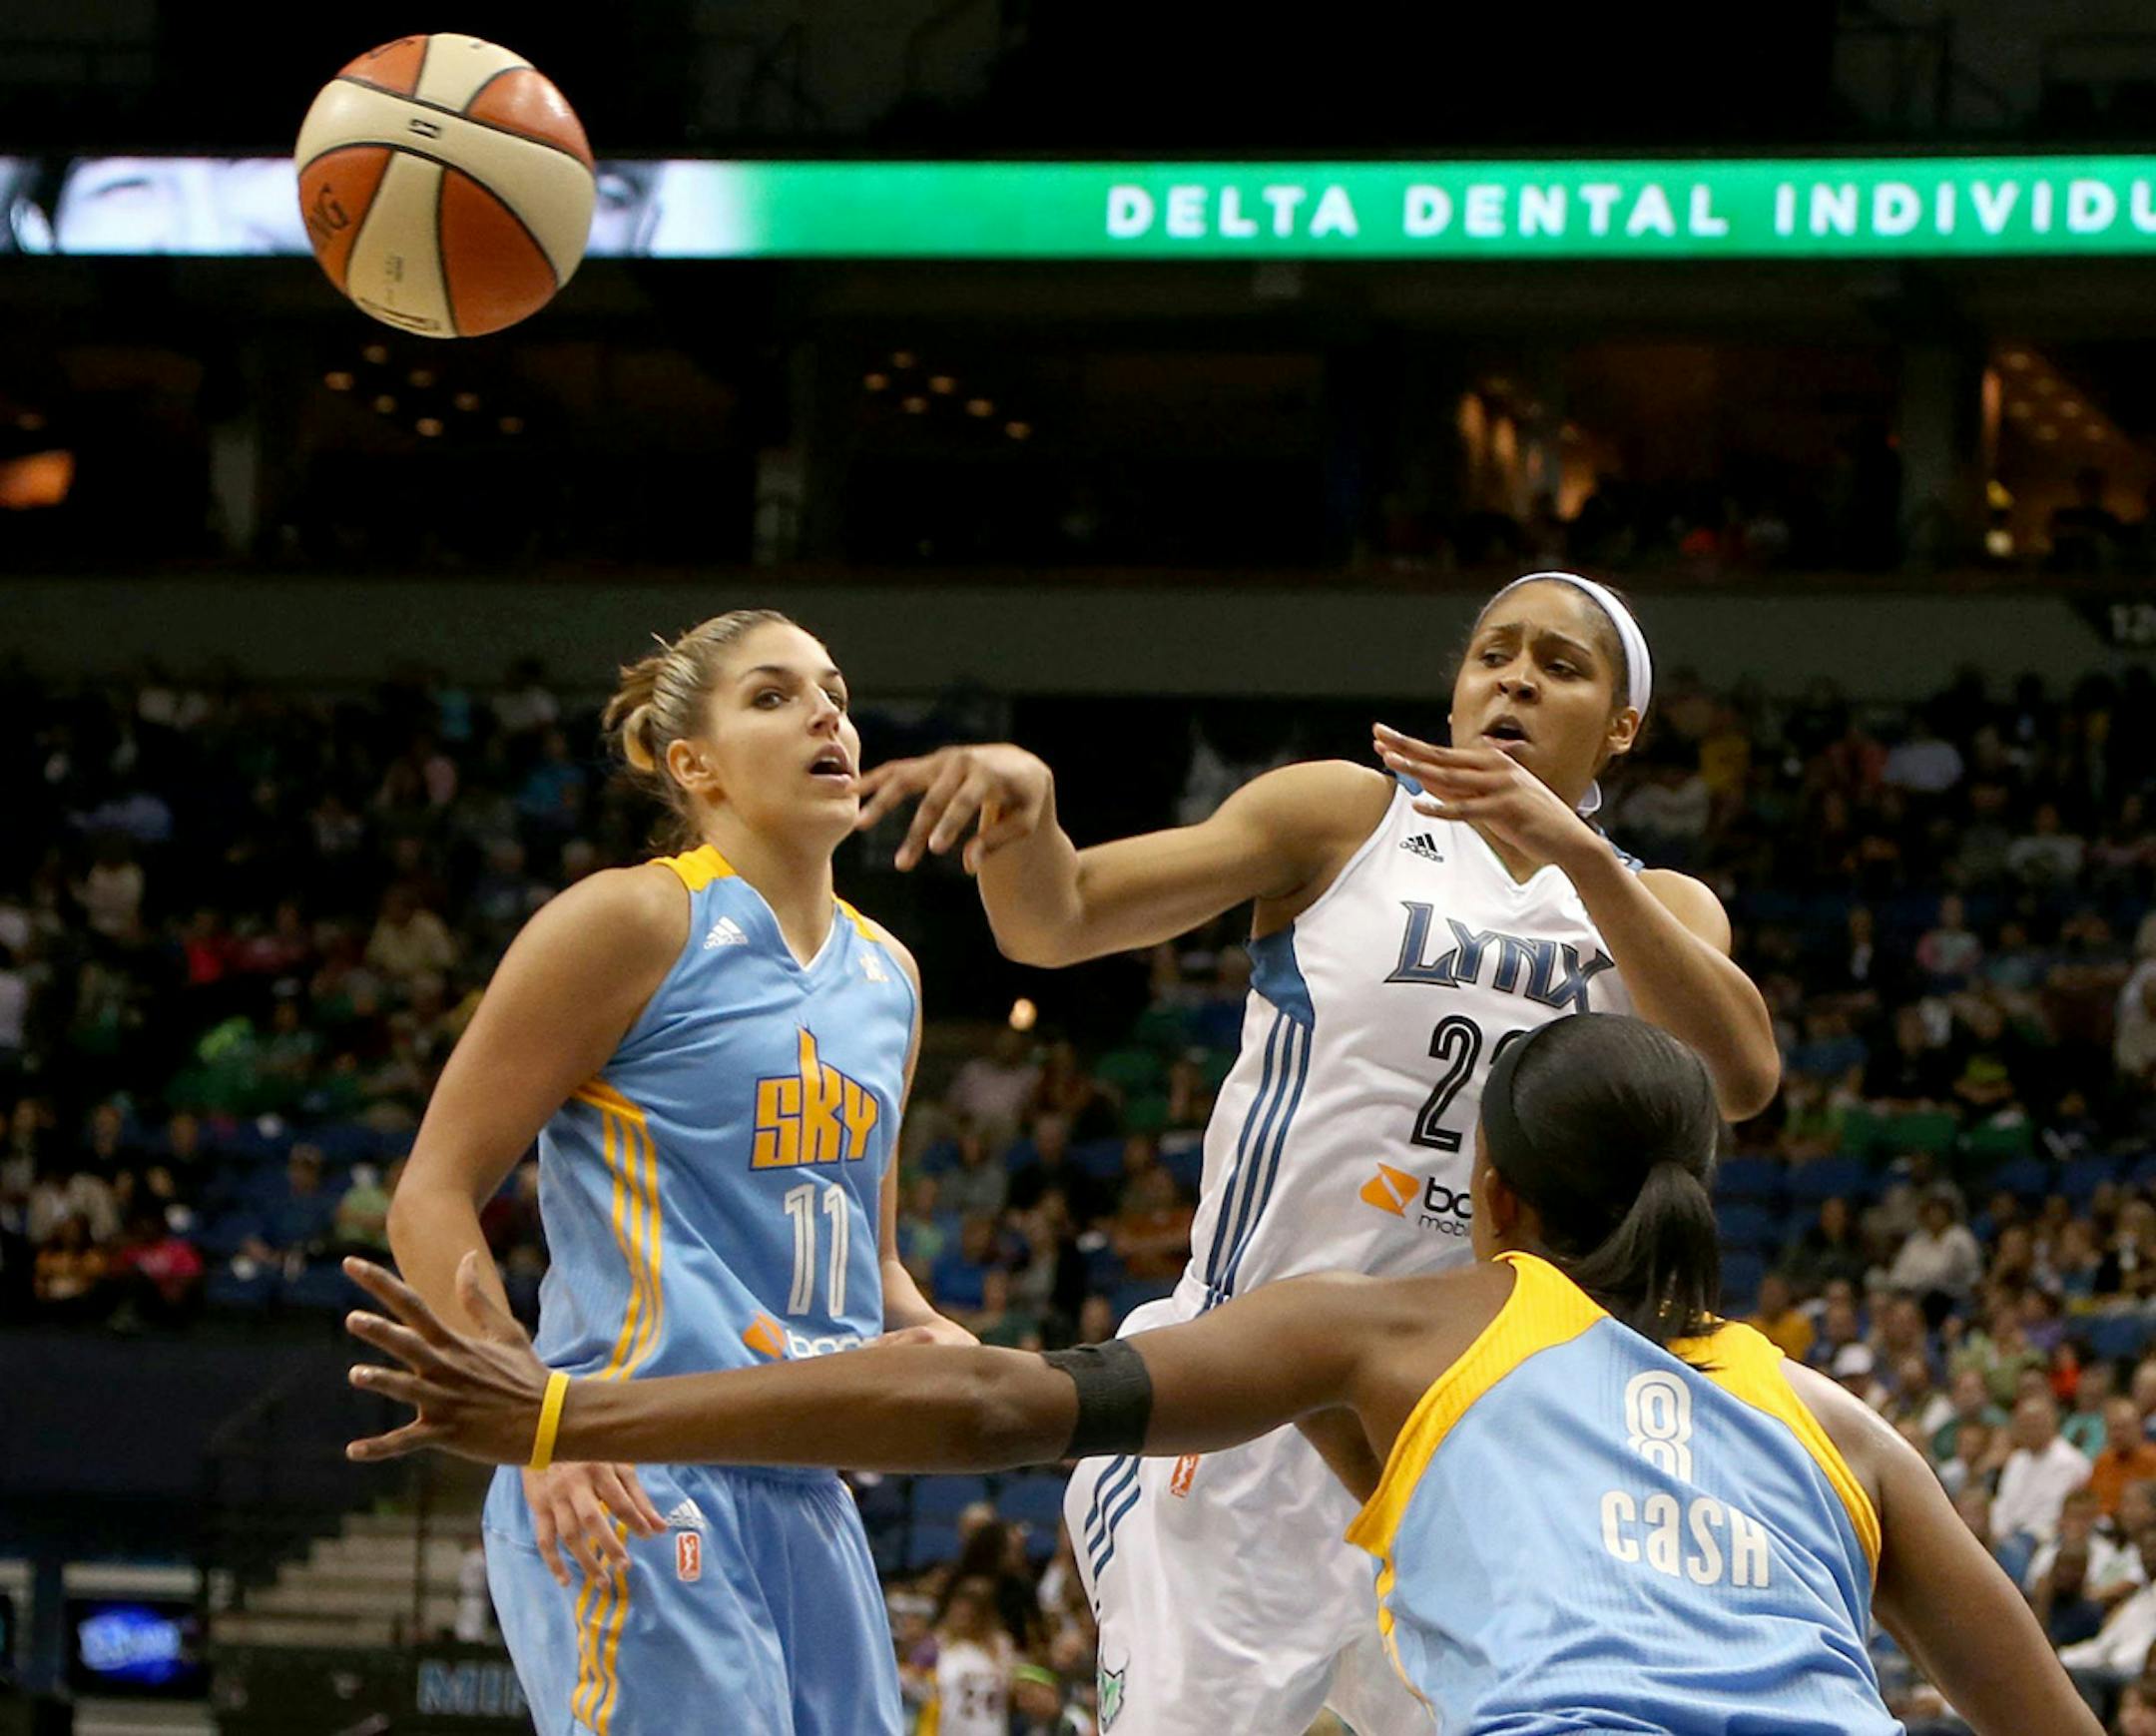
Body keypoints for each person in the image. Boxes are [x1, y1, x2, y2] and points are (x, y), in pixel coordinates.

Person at [344, 1015, 2093, 1735]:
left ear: (1487, 1194)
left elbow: (987, 1403)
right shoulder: (1844, 1420)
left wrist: (572, 1404)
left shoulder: (1400, 1322)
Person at [848, 571, 1780, 1735]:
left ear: (1622, 726)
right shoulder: (1343, 815)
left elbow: (1739, 1078)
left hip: (1464, 1434)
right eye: (1494, 653)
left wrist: (1580, 859)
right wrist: (1024, 813)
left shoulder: (1659, 906)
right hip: (1243, 1399)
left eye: (1560, 664)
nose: (1516, 678)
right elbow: (1060, 917)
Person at [382, 609, 968, 1736]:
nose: (826, 712)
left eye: (835, 690)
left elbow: (872, 1257)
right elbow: (433, 1189)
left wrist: (941, 1341)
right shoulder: (634, 917)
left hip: (805, 1478)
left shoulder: (889, 973)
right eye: (774, 694)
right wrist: (536, 1419)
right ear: (692, 766)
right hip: (629, 1460)